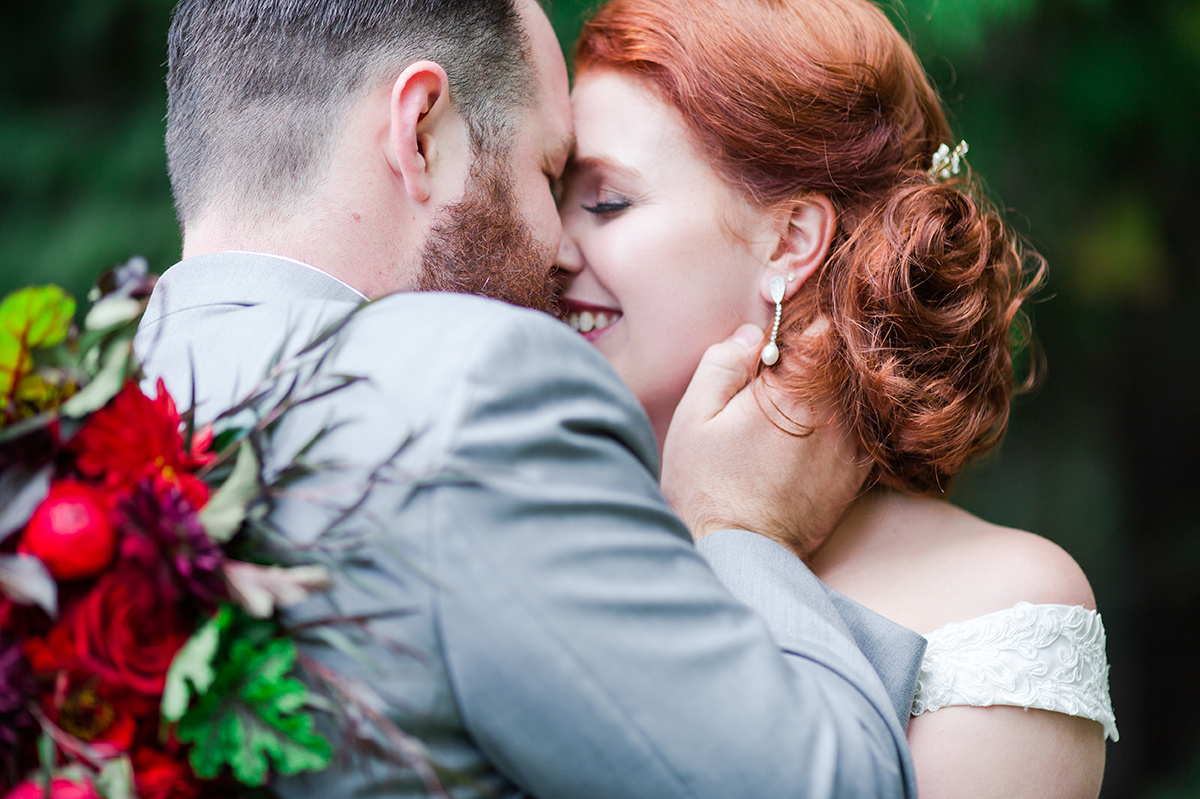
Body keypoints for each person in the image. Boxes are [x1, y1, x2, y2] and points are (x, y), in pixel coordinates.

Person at [135, 0, 924, 796]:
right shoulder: (474, 393)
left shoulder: (66, 435)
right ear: (420, 133)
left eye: (604, 199)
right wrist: (746, 532)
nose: (555, 248)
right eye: (548, 174)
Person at [556, 0, 1117, 796]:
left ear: (789, 242)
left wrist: (737, 539)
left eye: (607, 201)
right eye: (551, 193)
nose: (549, 245)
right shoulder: (525, 522)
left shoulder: (997, 598)